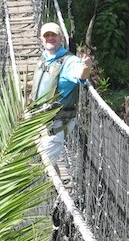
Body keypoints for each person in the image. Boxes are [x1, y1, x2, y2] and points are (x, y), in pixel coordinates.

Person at [30, 22, 92, 166]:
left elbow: (81, 75)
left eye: (54, 35)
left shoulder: (69, 62)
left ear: (61, 38)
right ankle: (56, 185)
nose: (50, 38)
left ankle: (56, 187)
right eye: (46, 35)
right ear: (41, 39)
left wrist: (86, 67)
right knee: (47, 165)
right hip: (39, 120)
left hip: (56, 124)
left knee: (43, 167)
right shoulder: (45, 57)